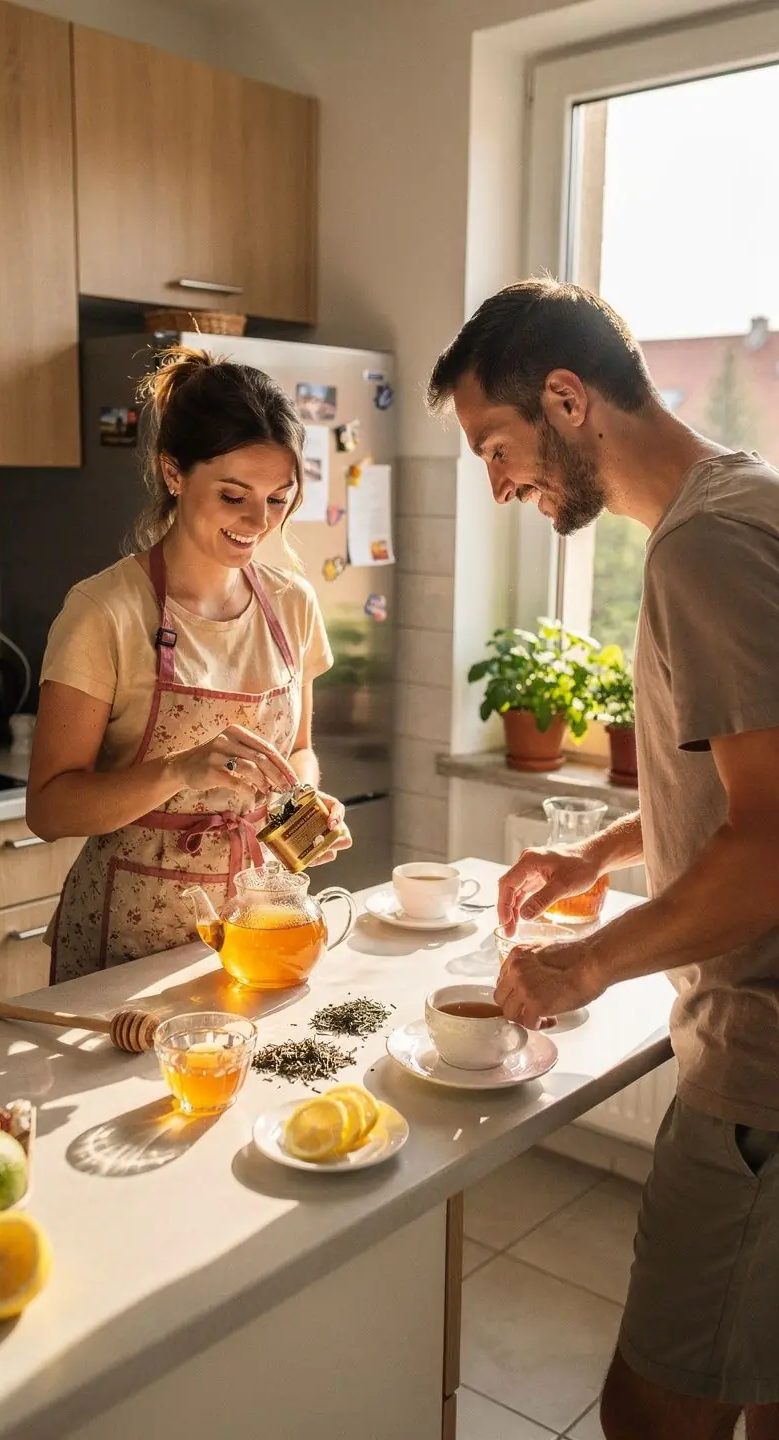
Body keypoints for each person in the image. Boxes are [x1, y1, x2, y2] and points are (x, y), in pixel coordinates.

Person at [427, 278, 779, 1440]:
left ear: (567, 399)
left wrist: (586, 966)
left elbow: (771, 848)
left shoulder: (705, 549)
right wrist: (607, 851)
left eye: (497, 445)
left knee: (652, 1413)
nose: (498, 482)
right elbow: (737, 795)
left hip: (762, 1075)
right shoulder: (741, 500)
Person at [28, 347, 350, 981]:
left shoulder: (292, 604)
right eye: (234, 496)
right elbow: (50, 809)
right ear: (173, 474)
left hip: (257, 925)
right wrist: (179, 769)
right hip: (127, 943)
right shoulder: (104, 611)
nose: (259, 522)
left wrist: (307, 802)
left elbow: (301, 748)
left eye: (279, 499)